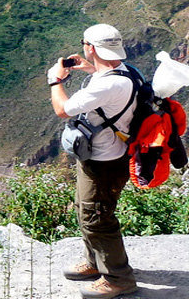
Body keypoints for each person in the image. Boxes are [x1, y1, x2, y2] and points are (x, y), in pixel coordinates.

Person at [46, 23, 138, 299]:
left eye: (84, 43)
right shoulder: (126, 72)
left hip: (104, 162)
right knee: (85, 209)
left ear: (90, 47)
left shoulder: (107, 85)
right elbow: (108, 81)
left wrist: (55, 80)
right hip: (104, 155)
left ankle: (118, 278)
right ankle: (96, 262)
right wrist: (88, 67)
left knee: (97, 218)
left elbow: (62, 109)